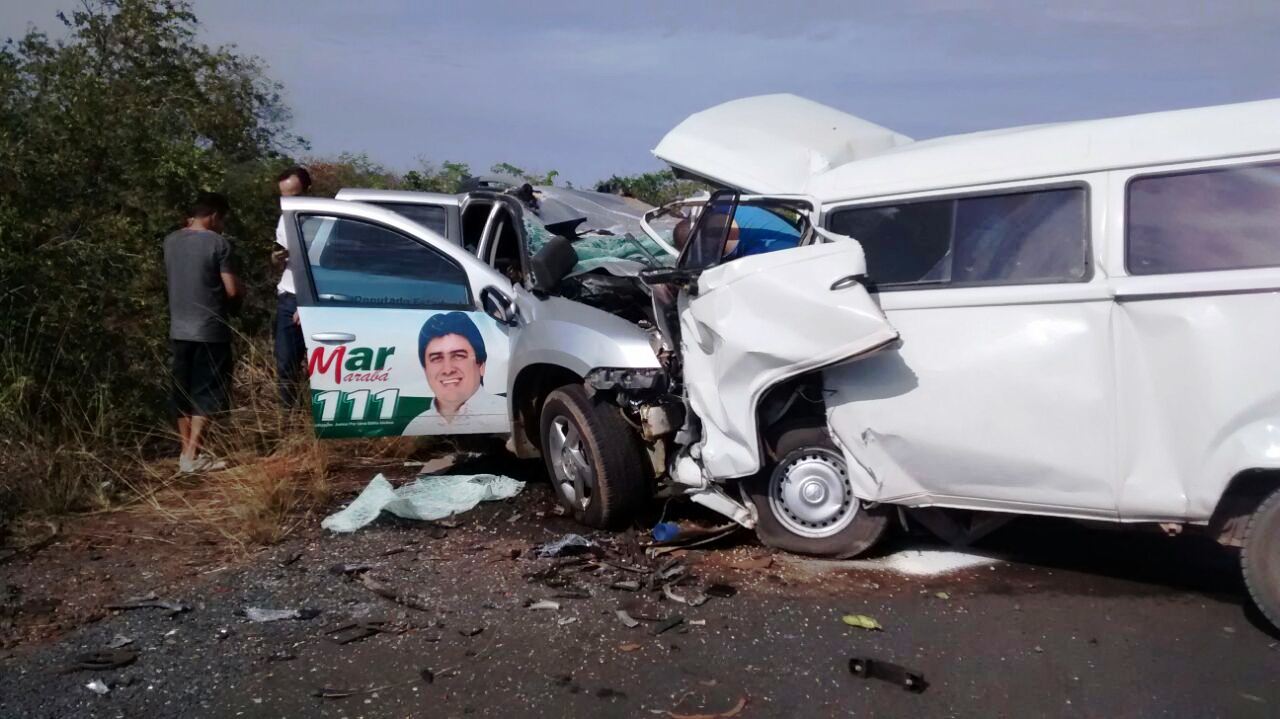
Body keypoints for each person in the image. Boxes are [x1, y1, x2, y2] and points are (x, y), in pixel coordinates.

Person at [164, 191, 241, 473]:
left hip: (178, 328)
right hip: (210, 329)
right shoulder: (218, 244)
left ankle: (185, 453)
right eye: (223, 219)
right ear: (214, 216)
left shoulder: (171, 241)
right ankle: (194, 453)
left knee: (182, 391)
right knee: (206, 392)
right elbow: (231, 290)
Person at [402, 312, 505, 434]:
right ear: (425, 370)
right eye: (436, 358)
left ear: (481, 365)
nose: (448, 370)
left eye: (458, 356)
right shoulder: (416, 427)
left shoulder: (506, 414)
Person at [272, 166, 312, 407]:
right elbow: (285, 253)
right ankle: (289, 417)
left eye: (294, 196)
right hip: (288, 295)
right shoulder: (284, 218)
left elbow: (319, 265)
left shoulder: (321, 219)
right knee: (286, 364)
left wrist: (306, 303)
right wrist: (276, 257)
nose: (288, 203)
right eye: (283, 198)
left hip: (309, 297)